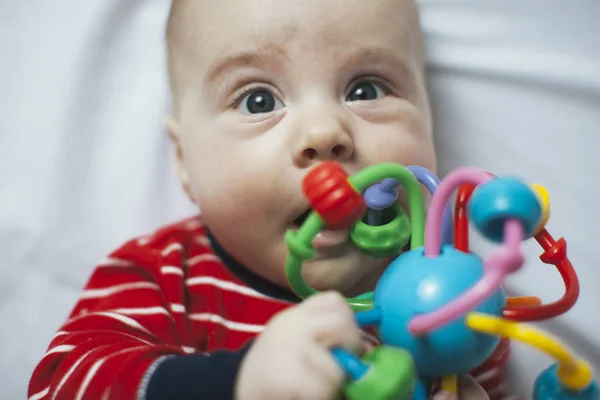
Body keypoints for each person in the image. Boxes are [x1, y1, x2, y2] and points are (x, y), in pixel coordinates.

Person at [28, 0, 510, 399]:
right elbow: (60, 382)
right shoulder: (162, 277)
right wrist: (237, 384)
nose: (324, 133)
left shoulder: (454, 298)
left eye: (366, 89)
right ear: (183, 161)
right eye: (258, 100)